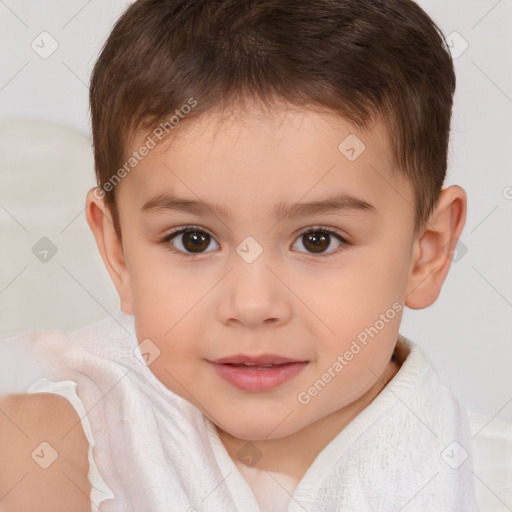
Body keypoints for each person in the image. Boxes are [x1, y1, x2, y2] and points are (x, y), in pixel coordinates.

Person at [1, 1, 509, 510]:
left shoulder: (488, 481)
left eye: (318, 240)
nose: (251, 304)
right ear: (119, 252)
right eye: (192, 240)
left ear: (427, 252)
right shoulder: (53, 448)